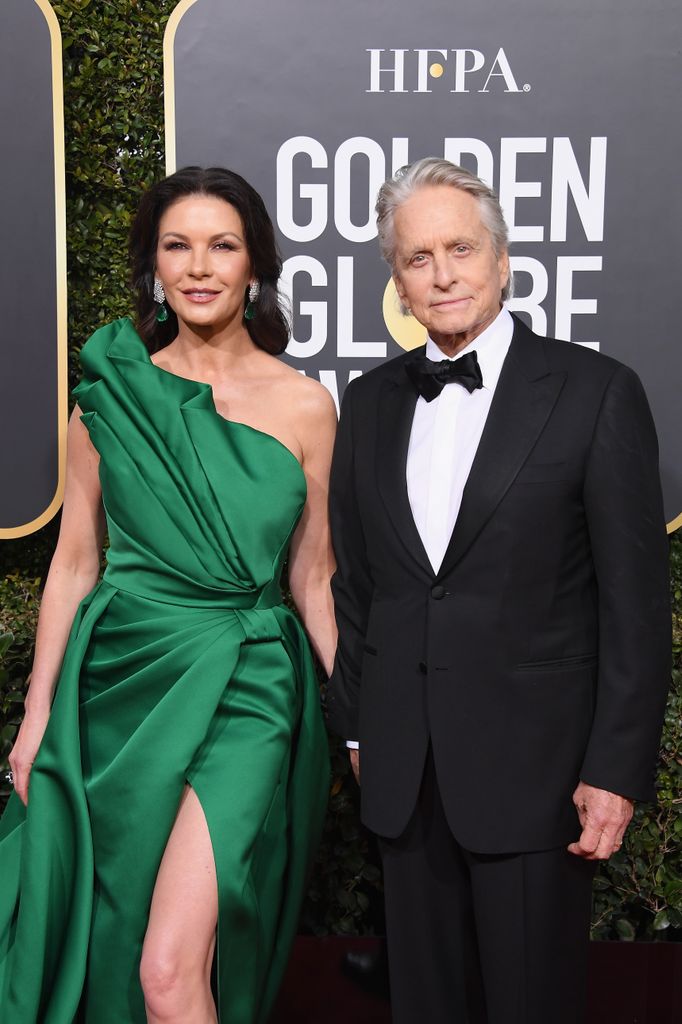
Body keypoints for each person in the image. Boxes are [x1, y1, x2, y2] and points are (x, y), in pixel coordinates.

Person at [326, 157, 671, 1024]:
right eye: (416, 258)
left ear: (503, 258)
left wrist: (615, 770)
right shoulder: (366, 406)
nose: (442, 274)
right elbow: (361, 585)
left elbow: (635, 606)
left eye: (460, 248)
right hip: (406, 775)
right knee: (424, 1006)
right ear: (396, 282)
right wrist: (361, 728)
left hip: (539, 775)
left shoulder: (595, 393)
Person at [0, 166, 337, 1023]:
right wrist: (38, 714)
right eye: (176, 246)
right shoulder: (111, 398)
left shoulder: (305, 406)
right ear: (153, 266)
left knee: (167, 968)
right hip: (119, 684)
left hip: (249, 684)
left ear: (255, 264)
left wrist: (366, 718)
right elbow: (75, 562)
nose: (198, 266)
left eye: (222, 246)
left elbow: (314, 574)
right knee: (111, 942)